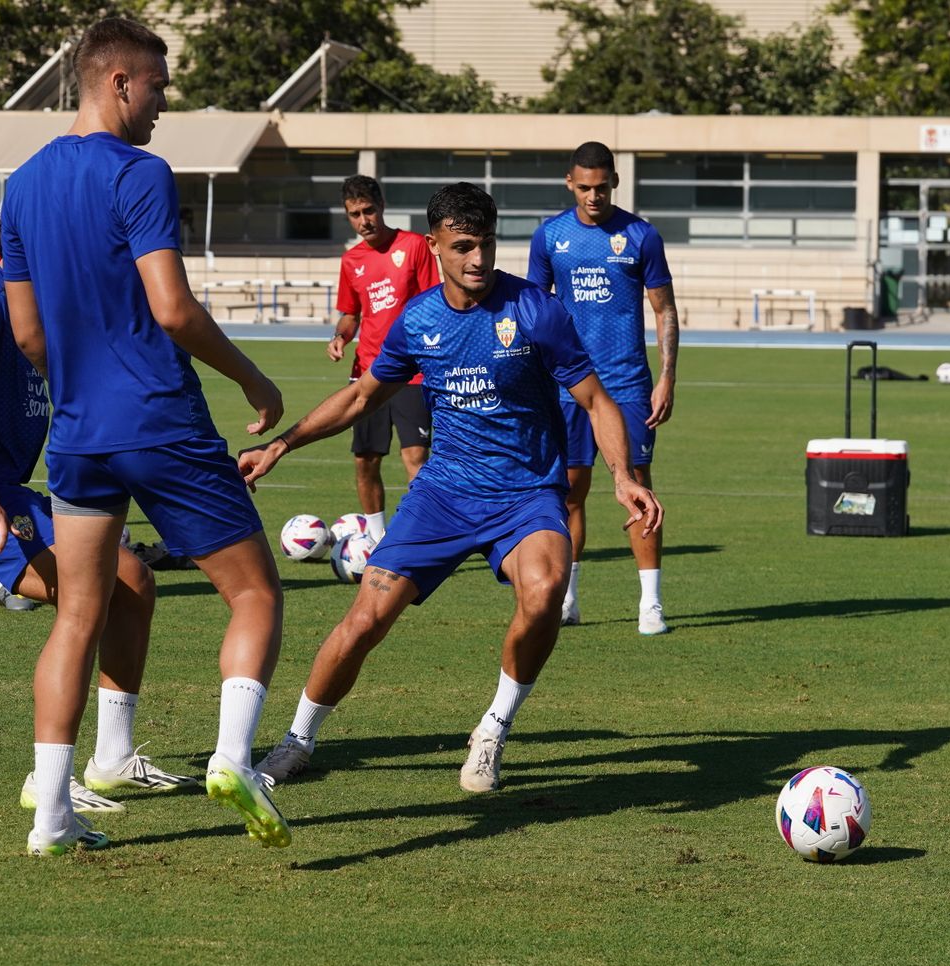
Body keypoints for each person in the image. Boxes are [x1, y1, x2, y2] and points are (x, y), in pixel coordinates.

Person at [242, 183, 662, 791]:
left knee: (544, 592)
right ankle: (297, 741)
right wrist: (281, 444)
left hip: (525, 496)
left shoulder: (536, 310)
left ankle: (492, 729)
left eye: (487, 244)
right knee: (365, 621)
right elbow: (362, 396)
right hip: (442, 495)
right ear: (434, 245)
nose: (478, 260)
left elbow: (596, 400)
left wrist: (622, 476)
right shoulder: (420, 320)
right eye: (463, 246)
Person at [0, 17, 290, 854]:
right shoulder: (140, 172)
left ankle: (52, 818)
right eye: (160, 86)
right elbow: (172, 308)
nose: (165, 103)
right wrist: (252, 378)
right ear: (119, 81)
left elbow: (27, 336)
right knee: (255, 594)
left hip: (80, 430)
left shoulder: (21, 185)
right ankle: (236, 759)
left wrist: (83, 381)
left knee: (76, 617)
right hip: (161, 417)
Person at [0, 264, 196, 851]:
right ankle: (47, 783)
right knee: (93, 596)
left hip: (2, 491)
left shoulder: (57, 296)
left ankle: (113, 757)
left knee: (135, 582)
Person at [527, 141, 680, 635]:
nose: (594, 195)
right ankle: (567, 599)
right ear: (570, 183)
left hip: (627, 385)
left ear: (615, 180)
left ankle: (650, 604)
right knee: (570, 489)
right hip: (568, 386)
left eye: (602, 186)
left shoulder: (640, 235)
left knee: (637, 486)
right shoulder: (550, 235)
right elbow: (533, 310)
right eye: (584, 187)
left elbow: (664, 310)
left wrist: (667, 377)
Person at [329, 175, 441, 542]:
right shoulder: (351, 261)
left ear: (382, 206)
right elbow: (350, 313)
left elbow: (433, 300)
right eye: (355, 214)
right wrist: (341, 337)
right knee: (366, 460)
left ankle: (420, 537)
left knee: (416, 460)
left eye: (369, 210)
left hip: (412, 374)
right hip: (367, 374)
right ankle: (377, 540)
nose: (364, 220)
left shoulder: (413, 246)